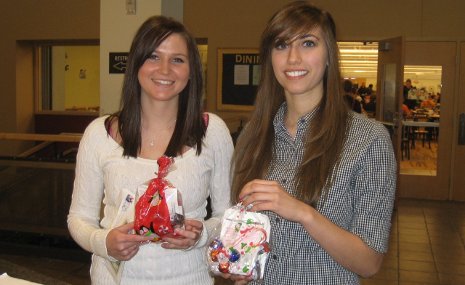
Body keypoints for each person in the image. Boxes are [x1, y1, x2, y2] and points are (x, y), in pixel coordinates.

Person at [227, 1, 397, 284]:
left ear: (329, 54)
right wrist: (238, 261)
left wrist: (302, 213)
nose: (293, 58)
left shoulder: (368, 139)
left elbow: (369, 262)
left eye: (308, 43)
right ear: (270, 57)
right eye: (281, 45)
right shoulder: (253, 136)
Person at [67, 15, 234, 284]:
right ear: (136, 64)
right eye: (153, 57)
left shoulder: (212, 132)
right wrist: (104, 241)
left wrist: (201, 234)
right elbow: (79, 218)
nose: (165, 70)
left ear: (191, 70)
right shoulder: (99, 134)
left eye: (177, 59)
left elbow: (226, 215)